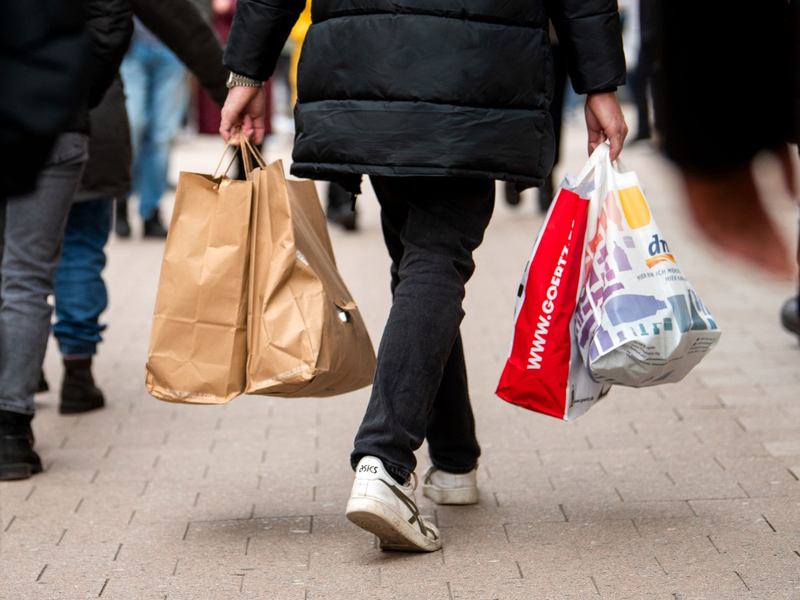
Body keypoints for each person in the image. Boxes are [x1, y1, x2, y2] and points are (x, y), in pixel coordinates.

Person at [220, 0, 627, 551]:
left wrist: (247, 70)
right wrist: (599, 84)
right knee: (435, 261)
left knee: (421, 264)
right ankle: (384, 462)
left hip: (366, 66)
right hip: (476, 72)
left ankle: (455, 461)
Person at [48, 0, 230, 415]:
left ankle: (16, 381)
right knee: (78, 250)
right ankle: (77, 374)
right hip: (88, 120)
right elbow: (182, 24)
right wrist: (230, 91)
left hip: (18, 118)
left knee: (16, 263)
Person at [0, 0, 133, 481]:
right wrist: (68, 92)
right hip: (51, 120)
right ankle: (10, 432)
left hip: (54, 118)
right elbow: (112, 17)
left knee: (19, 278)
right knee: (27, 278)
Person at [116, 17, 192, 238]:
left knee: (163, 135)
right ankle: (121, 198)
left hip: (173, 50)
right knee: (132, 126)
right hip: (131, 47)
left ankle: (150, 210)